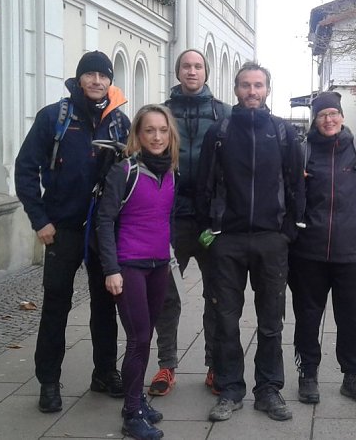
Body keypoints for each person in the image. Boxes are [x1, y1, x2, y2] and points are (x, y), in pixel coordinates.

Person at [14, 51, 130, 413]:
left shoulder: (121, 123)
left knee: (105, 305)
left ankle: (105, 372)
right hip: (62, 227)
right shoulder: (55, 117)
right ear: (79, 79)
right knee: (56, 305)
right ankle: (49, 381)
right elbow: (25, 168)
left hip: (102, 230)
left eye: (103, 76)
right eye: (90, 74)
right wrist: (39, 219)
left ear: (111, 82)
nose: (97, 81)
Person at [196, 61, 305, 422]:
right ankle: (230, 388)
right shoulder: (220, 131)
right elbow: (204, 183)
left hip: (271, 240)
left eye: (258, 85)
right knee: (226, 319)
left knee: (271, 319)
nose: (252, 92)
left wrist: (288, 230)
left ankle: (269, 389)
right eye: (245, 85)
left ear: (268, 90)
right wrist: (209, 229)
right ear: (236, 90)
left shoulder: (284, 132)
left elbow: (295, 185)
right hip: (228, 240)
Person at [288, 92, 356, 406]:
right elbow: (288, 199)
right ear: (314, 119)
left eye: (333, 113)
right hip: (309, 252)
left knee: (354, 318)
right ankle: (308, 376)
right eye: (322, 115)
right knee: (307, 317)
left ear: (341, 116)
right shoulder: (301, 152)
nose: (328, 120)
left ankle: (352, 378)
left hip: (352, 250)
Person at [149, 49, 229, 397]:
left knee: (217, 295)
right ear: (178, 71)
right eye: (186, 66)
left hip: (212, 221)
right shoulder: (163, 113)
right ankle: (167, 365)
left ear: (206, 72)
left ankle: (214, 365)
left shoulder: (223, 113)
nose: (192, 71)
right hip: (173, 217)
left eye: (197, 66)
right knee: (165, 293)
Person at [97, 104, 178, 440]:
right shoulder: (125, 170)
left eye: (162, 130)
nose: (156, 136)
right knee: (138, 339)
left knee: (146, 338)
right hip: (129, 266)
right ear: (138, 135)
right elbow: (104, 220)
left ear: (170, 134)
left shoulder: (172, 171)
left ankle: (138, 402)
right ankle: (131, 413)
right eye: (149, 130)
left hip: (159, 265)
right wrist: (111, 269)